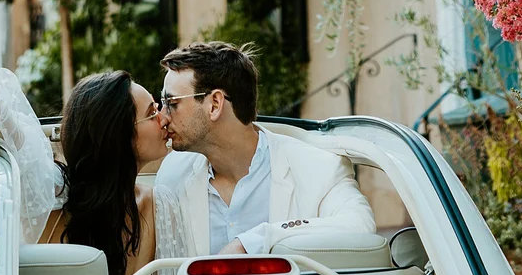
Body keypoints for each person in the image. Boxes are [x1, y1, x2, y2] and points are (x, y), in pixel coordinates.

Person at [0, 1, 174, 275]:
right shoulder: (55, 192)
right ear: (116, 135)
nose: (164, 117)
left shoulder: (154, 202)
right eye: (152, 112)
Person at [155, 39, 376, 255]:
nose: (163, 117)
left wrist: (256, 241)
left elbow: (360, 226)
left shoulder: (319, 168)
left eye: (172, 104)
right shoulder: (173, 173)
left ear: (215, 104)